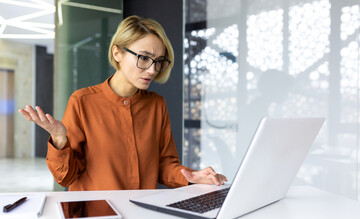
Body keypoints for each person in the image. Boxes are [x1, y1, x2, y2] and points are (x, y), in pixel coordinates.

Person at [19, 15, 227, 191]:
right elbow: (66, 177)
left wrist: (192, 176)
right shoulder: (82, 102)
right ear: (117, 53)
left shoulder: (157, 105)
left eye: (158, 61)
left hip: (141, 218)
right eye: (144, 58)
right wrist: (59, 139)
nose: (153, 70)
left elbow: (164, 165)